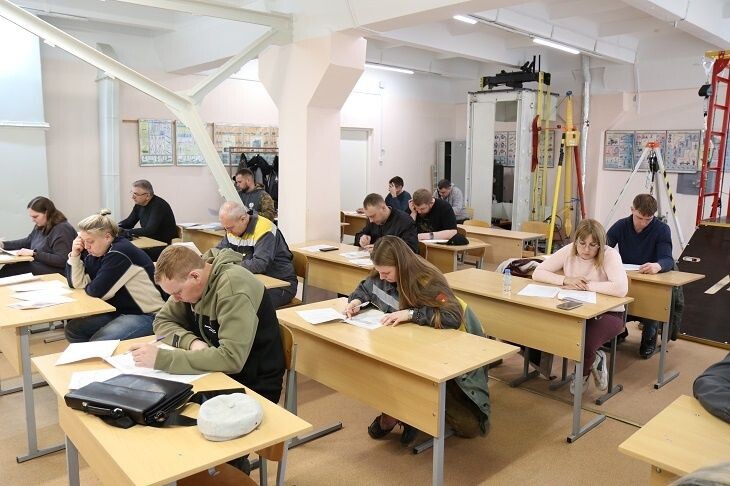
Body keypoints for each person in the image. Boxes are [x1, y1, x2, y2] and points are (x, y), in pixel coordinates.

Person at [346, 236, 491, 443]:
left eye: (386, 273)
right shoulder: (382, 275)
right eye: (379, 272)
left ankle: (408, 410)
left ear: (401, 265)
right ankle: (401, 411)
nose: (382, 277)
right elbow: (366, 288)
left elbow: (452, 316)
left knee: (470, 427)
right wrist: (355, 302)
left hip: (446, 358)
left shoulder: (428, 280)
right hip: (410, 353)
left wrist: (411, 314)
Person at [129, 245, 285, 404]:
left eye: (177, 292)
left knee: (169, 409)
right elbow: (162, 322)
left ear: (195, 276)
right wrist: (192, 342)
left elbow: (231, 359)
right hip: (213, 372)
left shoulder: (233, 289)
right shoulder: (188, 283)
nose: (175, 299)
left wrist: (162, 359)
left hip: (252, 383)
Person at [532, 219, 628, 395]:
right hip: (576, 310)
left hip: (609, 314)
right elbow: (537, 272)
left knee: (585, 342)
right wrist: (565, 280)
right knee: (549, 329)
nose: (586, 250)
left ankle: (582, 373)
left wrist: (585, 285)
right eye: (582, 243)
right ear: (576, 240)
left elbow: (621, 289)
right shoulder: (569, 250)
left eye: (593, 245)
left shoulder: (610, 255)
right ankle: (595, 358)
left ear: (600, 245)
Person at [64, 210, 164, 342]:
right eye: (83, 241)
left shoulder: (120, 253)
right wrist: (75, 255)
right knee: (74, 329)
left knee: (100, 342)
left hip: (148, 315)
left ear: (107, 237)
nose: (86, 246)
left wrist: (90, 284)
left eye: (90, 241)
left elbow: (97, 292)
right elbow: (77, 284)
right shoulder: (96, 253)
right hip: (120, 311)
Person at [607, 194, 673, 357]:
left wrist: (657, 265)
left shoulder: (662, 229)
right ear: (632, 210)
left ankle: (649, 338)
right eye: (639, 218)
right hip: (626, 278)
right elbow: (604, 248)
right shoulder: (621, 225)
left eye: (648, 219)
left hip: (650, 280)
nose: (643, 223)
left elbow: (667, 259)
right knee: (612, 301)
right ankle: (618, 331)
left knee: (652, 306)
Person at [216, 201, 297, 308]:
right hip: (253, 281)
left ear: (243, 219)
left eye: (230, 228)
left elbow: (259, 264)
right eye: (225, 228)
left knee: (240, 304)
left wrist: (229, 265)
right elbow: (218, 252)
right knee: (220, 296)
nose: (228, 232)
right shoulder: (232, 229)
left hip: (281, 285)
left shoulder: (264, 230)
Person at [0, 196, 76, 277]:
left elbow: (62, 260)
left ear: (47, 213)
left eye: (35, 217)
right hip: (42, 265)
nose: (32, 220)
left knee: (10, 271)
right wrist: (3, 245)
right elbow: (28, 241)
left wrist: (34, 254)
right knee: (8, 269)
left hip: (58, 271)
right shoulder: (41, 225)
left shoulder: (62, 229)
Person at [118, 179, 177, 259]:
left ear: (147, 196)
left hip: (163, 247)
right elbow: (129, 222)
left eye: (136, 194)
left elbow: (149, 230)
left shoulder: (158, 205)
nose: (132, 197)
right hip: (149, 243)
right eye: (132, 193)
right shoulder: (139, 204)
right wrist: (114, 227)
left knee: (127, 252)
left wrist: (126, 232)